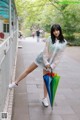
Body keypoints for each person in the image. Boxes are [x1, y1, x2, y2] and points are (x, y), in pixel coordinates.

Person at [9, 24, 67, 107]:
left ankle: (44, 98)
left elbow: (59, 56)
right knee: (28, 70)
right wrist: (46, 62)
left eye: (57, 30)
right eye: (54, 31)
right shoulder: (50, 39)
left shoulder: (64, 42)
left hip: (50, 64)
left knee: (46, 80)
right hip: (42, 59)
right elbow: (45, 51)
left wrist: (52, 65)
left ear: (60, 30)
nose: (55, 32)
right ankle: (15, 83)